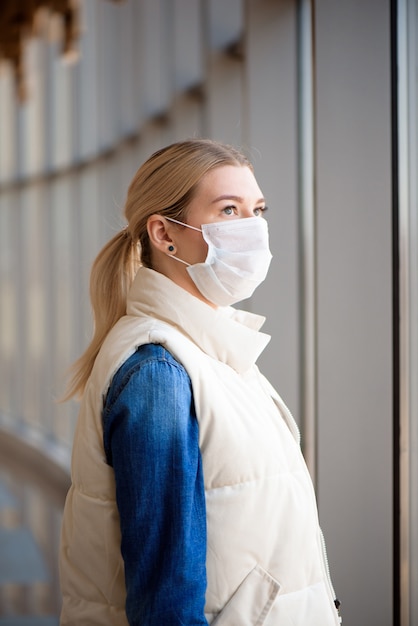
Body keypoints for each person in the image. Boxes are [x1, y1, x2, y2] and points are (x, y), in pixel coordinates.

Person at [59, 138, 341, 626]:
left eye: (258, 209)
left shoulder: (215, 352)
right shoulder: (159, 371)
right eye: (229, 210)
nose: (253, 227)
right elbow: (165, 601)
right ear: (165, 234)